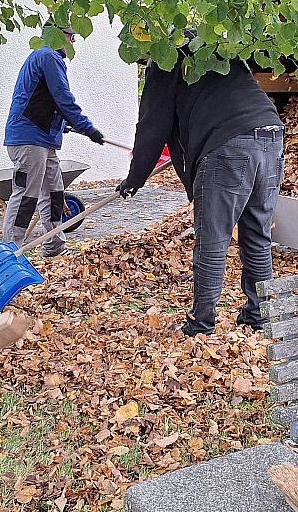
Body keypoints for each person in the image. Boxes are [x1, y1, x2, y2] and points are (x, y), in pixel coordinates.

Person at [117, 51, 284, 335]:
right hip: (271, 136)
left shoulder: (165, 57)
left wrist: (135, 178)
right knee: (257, 235)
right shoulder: (211, 43)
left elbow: (152, 127)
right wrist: (192, 189)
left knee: (212, 240)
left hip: (228, 146)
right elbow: (178, 140)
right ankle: (260, 316)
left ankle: (201, 323)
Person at [2, 25, 105, 256]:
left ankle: (54, 246)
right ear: (57, 34)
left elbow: (44, 99)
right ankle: (9, 254)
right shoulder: (48, 55)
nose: (74, 41)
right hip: (29, 140)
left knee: (54, 192)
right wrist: (87, 128)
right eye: (71, 36)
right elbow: (62, 97)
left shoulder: (44, 56)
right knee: (26, 196)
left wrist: (60, 123)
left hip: (42, 139)